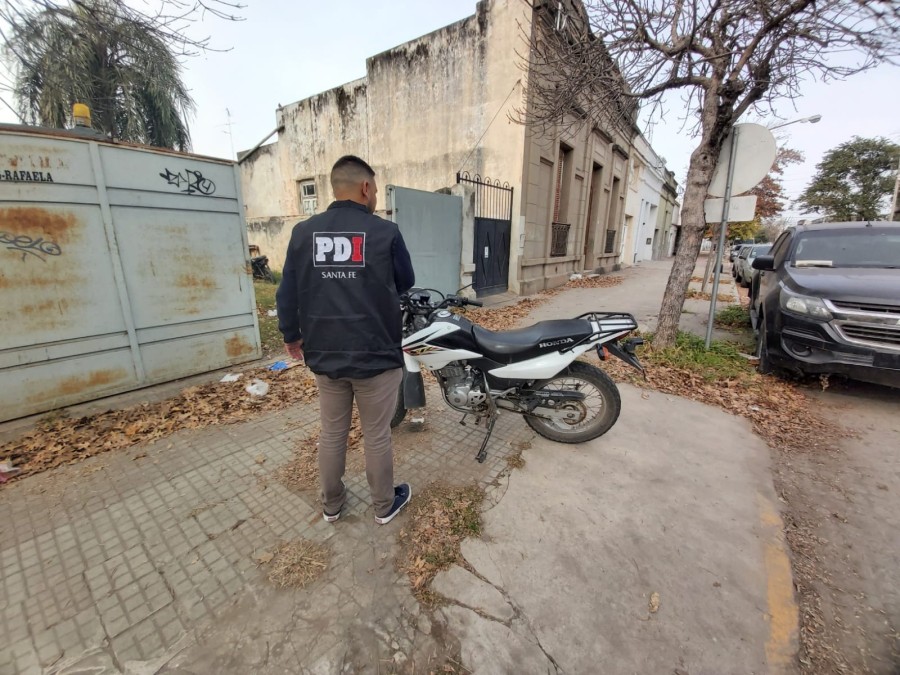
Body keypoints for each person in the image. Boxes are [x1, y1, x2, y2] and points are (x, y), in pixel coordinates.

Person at [276, 155, 415, 525]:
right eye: (374, 190)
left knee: (333, 432)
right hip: (377, 356)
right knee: (376, 435)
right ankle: (384, 506)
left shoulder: (304, 233)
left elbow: (286, 292)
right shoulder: (386, 232)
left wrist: (292, 336)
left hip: (325, 354)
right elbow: (407, 282)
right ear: (366, 188)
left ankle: (332, 505)